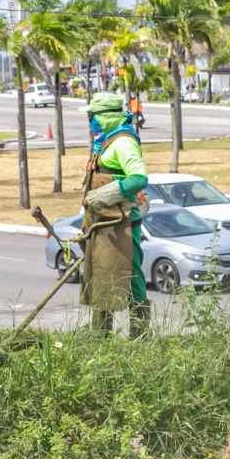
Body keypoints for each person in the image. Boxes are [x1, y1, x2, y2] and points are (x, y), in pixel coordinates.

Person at [81, 91, 150, 337]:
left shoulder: (123, 142)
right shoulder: (108, 141)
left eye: (93, 116)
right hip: (103, 221)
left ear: (106, 117)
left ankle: (140, 337)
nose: (90, 120)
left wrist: (104, 195)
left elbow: (139, 178)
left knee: (131, 275)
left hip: (123, 222)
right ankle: (100, 335)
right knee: (101, 273)